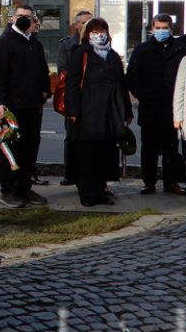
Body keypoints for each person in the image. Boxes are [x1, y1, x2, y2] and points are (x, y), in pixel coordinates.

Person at [65, 17, 133, 206]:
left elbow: (122, 85)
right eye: (95, 31)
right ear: (88, 34)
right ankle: (87, 195)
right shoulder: (81, 54)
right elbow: (72, 83)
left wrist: (126, 112)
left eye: (102, 31)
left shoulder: (112, 56)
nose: (99, 35)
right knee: (87, 157)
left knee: (105, 156)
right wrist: (73, 110)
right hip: (87, 113)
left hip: (110, 113)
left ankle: (101, 192)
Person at [0, 3, 51, 208]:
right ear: (12, 19)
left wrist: (45, 91)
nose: (25, 19)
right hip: (11, 107)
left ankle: (24, 186)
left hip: (33, 106)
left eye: (29, 16)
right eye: (20, 16)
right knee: (10, 149)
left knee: (30, 148)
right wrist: (0, 103)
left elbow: (43, 71)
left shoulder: (35, 43)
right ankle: (8, 190)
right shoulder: (4, 42)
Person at [127, 13, 186, 195]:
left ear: (171, 29)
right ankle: (149, 182)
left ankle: (171, 182)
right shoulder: (142, 50)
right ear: (152, 29)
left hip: (172, 108)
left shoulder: (180, 49)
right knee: (149, 149)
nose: (161, 31)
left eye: (165, 28)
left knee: (171, 149)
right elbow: (132, 77)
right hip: (150, 108)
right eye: (158, 28)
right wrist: (143, 95)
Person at [56, 10, 93, 186]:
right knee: (71, 136)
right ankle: (70, 173)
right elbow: (63, 70)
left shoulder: (97, 43)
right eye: (83, 22)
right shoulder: (67, 44)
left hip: (93, 99)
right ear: (76, 25)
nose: (86, 25)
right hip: (74, 96)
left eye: (89, 21)